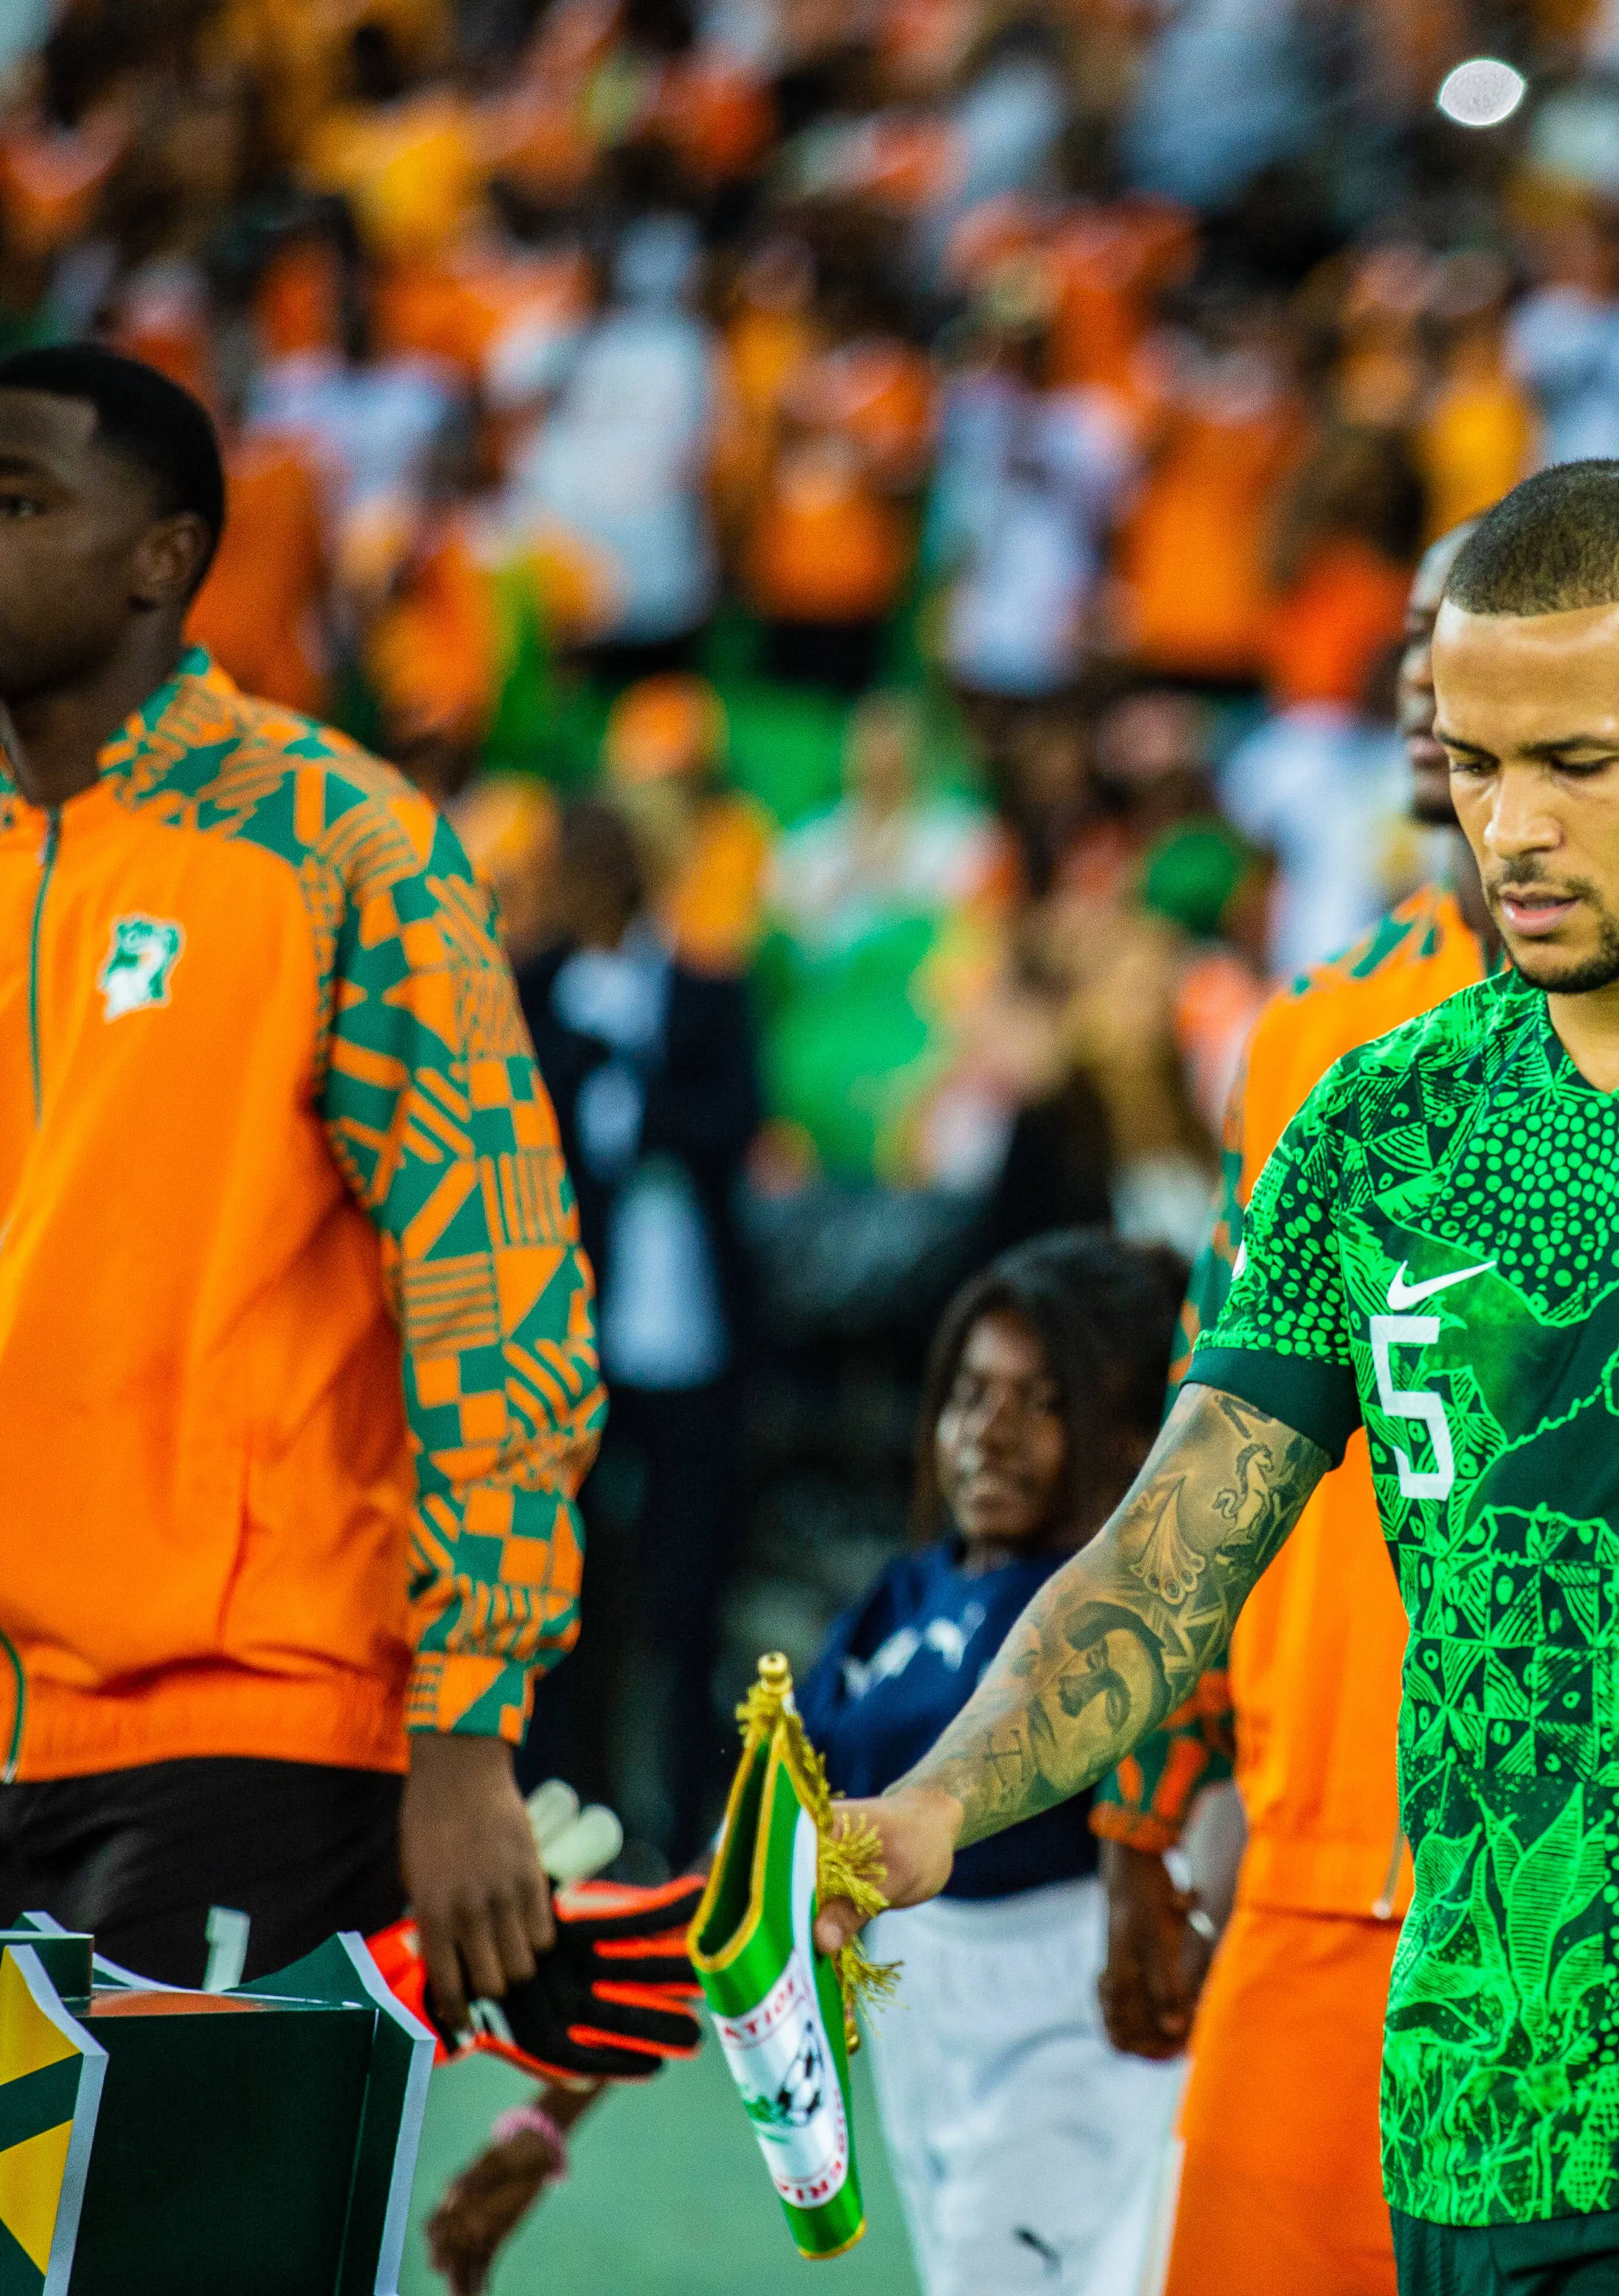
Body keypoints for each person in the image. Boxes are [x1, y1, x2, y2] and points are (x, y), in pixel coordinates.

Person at [824, 460, 1619, 2296]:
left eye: (1576, 763)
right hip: (1449, 2129)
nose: (1508, 827)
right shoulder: (1379, 1116)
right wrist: (936, 1801)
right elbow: (1167, 1554)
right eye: (1470, 761)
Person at [0, 344, 598, 2018]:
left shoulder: (340, 843)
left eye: (18, 503)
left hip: (251, 1736)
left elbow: (499, 1290)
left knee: (169, 2191)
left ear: (164, 556)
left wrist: (467, 1732)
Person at [1098, 521, 1490, 2296]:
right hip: (1319, 1855)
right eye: (1410, 634)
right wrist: (1145, 1804)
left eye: (1470, 631)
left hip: (1616, 1904)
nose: (1420, 672)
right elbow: (1219, 1427)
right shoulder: (1317, 1027)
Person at [800, 1232, 1195, 2296]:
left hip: (1069, 2010)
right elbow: (753, 1846)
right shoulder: (898, 1600)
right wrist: (544, 2123)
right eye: (971, 1395)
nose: (991, 1431)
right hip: (918, 2011)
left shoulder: (1110, 1620)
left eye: (1042, 1403)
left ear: (1126, 1437)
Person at [515, 799, 763, 1853]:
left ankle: (683, 1807)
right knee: (561, 1583)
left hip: (689, 1330)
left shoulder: (702, 990)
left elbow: (733, 1120)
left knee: (686, 1585)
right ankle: (560, 1796)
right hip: (576, 1332)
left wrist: (635, 1096)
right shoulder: (536, 990)